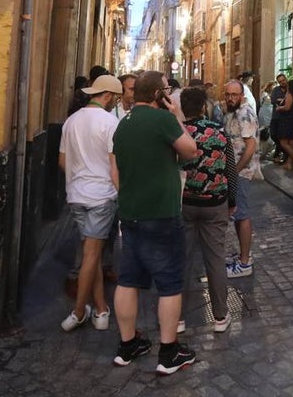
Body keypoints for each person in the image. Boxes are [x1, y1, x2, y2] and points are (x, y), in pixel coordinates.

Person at [109, 70, 199, 373]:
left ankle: (127, 344)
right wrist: (177, 116)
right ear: (159, 94)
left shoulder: (123, 124)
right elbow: (191, 150)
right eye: (167, 90)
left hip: (131, 213)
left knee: (128, 280)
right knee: (170, 283)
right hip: (161, 213)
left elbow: (115, 173)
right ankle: (169, 352)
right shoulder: (162, 120)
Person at [58, 74, 122, 333]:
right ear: (107, 96)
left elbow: (62, 162)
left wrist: (78, 179)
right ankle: (78, 311)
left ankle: (102, 308)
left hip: (76, 196)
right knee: (91, 255)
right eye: (113, 98)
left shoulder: (71, 121)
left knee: (90, 255)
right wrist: (123, 196)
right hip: (101, 197)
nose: (113, 102)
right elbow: (114, 166)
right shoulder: (110, 123)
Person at [178, 87, 236, 333]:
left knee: (182, 259)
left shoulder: (178, 133)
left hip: (184, 204)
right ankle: (221, 317)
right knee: (215, 259)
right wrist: (231, 201)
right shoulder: (219, 132)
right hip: (215, 203)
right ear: (203, 106)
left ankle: (177, 318)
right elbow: (230, 170)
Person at [223, 80, 260, 278]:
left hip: (241, 173)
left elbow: (250, 146)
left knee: (242, 214)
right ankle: (244, 256)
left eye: (234, 95)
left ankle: (245, 263)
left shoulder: (245, 114)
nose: (230, 98)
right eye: (227, 94)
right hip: (235, 171)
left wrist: (236, 171)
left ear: (242, 95)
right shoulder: (232, 112)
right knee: (238, 214)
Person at [271, 78, 293, 170]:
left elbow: (287, 107)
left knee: (284, 142)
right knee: (292, 142)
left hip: (288, 120)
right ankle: (289, 163)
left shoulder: (289, 94)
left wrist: (279, 108)